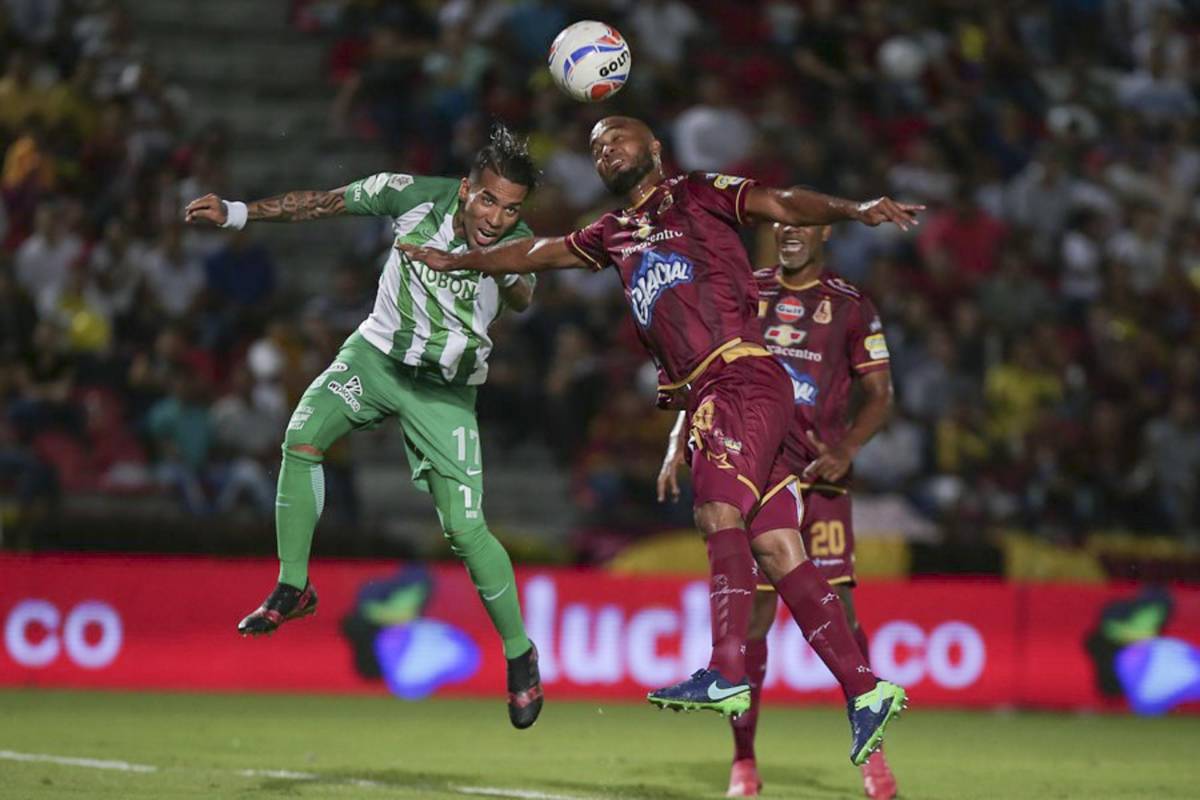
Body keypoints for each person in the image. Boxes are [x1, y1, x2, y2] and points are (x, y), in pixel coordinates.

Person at [400, 116, 920, 764]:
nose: (605, 149)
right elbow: (542, 252)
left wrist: (857, 210)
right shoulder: (612, 234)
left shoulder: (699, 193)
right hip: (727, 394)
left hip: (740, 377)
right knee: (779, 547)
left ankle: (726, 667)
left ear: (654, 149)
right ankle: (864, 690)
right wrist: (463, 261)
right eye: (594, 147)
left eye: (617, 137)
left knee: (714, 512)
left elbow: (781, 204)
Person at [183, 124, 544, 729]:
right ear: (465, 189)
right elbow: (325, 203)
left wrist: (501, 265)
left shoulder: (516, 243)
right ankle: (293, 587)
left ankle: (520, 654)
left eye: (511, 209)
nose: (497, 216)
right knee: (301, 436)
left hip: (445, 393)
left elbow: (527, 295)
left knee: (465, 529)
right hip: (375, 360)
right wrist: (239, 212)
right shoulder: (411, 195)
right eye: (489, 200)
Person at [657, 223, 899, 798]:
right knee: (758, 617)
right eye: (781, 225)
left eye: (802, 226)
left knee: (840, 604)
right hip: (760, 462)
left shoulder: (850, 305)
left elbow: (881, 393)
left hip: (822, 476)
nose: (789, 234)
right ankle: (744, 760)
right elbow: (708, 372)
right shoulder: (747, 291)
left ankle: (873, 750)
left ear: (826, 232)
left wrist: (846, 449)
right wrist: (677, 436)